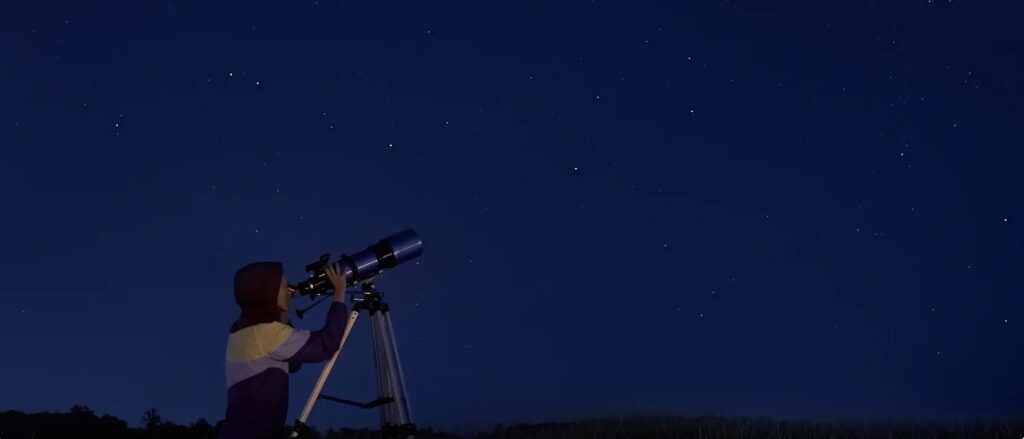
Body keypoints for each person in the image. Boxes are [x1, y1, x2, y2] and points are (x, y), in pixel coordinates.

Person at [219, 261, 350, 439]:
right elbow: (326, 344)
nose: (290, 290)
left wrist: (282, 309)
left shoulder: (244, 328)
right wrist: (339, 293)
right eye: (284, 286)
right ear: (268, 293)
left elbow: (293, 364)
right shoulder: (265, 334)